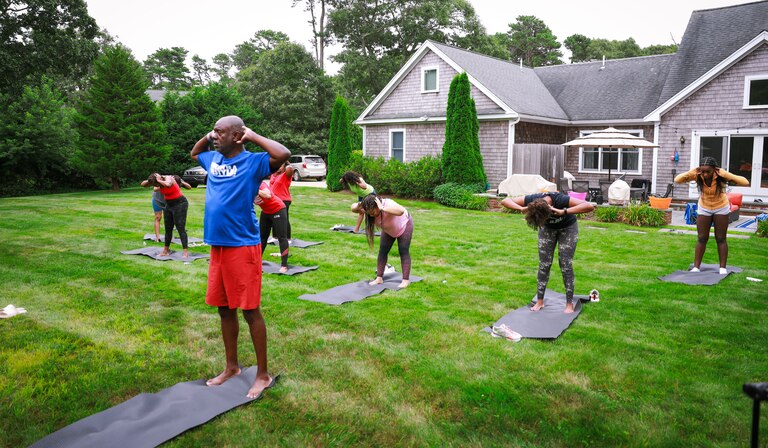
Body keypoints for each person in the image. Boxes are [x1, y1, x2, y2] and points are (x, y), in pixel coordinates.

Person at [191, 115, 290, 399]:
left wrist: (253, 135)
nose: (214, 136)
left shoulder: (253, 162)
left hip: (242, 246)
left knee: (250, 310)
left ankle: (262, 374)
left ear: (237, 136)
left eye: (220, 132)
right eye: (214, 132)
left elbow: (282, 154)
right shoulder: (214, 160)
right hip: (218, 245)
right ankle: (231, 367)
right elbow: (195, 152)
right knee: (224, 308)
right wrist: (209, 136)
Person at [501, 192, 594, 314]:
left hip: (568, 228)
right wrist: (521, 208)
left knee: (566, 265)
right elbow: (505, 201)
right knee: (544, 264)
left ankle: (569, 304)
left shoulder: (560, 199)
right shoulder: (532, 199)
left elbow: (589, 206)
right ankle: (540, 301)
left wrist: (563, 212)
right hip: (548, 230)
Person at [674, 156, 749, 274]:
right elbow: (677, 179)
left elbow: (745, 182)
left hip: (721, 207)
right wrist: (693, 171)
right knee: (702, 238)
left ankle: (722, 268)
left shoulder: (721, 176)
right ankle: (696, 267)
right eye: (702, 171)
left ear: (715, 170)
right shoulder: (698, 174)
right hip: (704, 207)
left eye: (707, 171)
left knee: (721, 238)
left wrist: (726, 174)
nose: (704, 174)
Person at [359, 195, 413, 289]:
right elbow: (353, 208)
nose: (371, 215)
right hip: (388, 230)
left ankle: (405, 280)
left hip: (404, 225)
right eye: (369, 213)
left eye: (373, 212)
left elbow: (401, 211)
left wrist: (382, 208)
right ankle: (379, 278)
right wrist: (360, 204)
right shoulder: (368, 209)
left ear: (377, 205)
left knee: (403, 251)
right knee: (382, 251)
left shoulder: (388, 203)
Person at [141, 173, 192, 257]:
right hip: (169, 204)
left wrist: (158, 180)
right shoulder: (158, 182)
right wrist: (150, 179)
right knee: (168, 228)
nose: (156, 186)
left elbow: (168, 185)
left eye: (156, 184)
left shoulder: (168, 178)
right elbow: (143, 184)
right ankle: (165, 251)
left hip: (180, 203)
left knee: (180, 227)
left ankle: (185, 252)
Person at [254, 181, 289, 273]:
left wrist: (255, 189)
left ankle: (284, 265)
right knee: (262, 238)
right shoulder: (246, 190)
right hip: (266, 212)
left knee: (282, 237)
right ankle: (256, 263)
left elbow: (268, 195)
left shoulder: (261, 184)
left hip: (278, 209)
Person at [269, 161, 295, 241]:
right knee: (274, 218)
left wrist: (285, 160)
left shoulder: (286, 175)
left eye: (281, 166)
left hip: (284, 200)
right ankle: (275, 237)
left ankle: (288, 238)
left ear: (284, 167)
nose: (279, 167)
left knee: (284, 219)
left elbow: (290, 169)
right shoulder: (273, 174)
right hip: (273, 200)